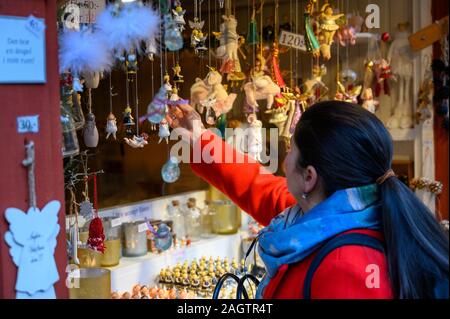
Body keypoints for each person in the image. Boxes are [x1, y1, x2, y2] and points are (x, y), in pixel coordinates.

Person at [165, 101, 449, 299]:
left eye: (291, 152)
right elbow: (259, 188)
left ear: (309, 177)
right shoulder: (330, 215)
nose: (284, 162)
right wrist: (201, 139)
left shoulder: (346, 267)